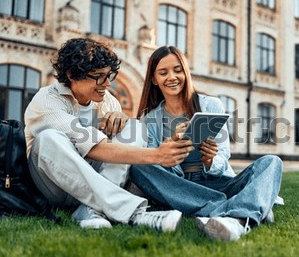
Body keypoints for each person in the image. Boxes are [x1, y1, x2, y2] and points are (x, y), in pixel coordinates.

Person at [25, 38, 194, 231]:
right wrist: (158, 155)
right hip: (54, 185)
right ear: (72, 75)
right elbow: (95, 149)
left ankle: (91, 210)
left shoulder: (108, 101)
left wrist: (121, 118)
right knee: (49, 139)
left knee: (135, 127)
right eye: (98, 76)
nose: (106, 84)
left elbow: (116, 149)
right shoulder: (46, 100)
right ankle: (134, 213)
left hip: (95, 184)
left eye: (109, 75)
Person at [130, 46, 283, 241]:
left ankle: (236, 217)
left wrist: (210, 159)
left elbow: (223, 154)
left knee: (272, 162)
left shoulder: (211, 105)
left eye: (178, 70)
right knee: (137, 166)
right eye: (163, 72)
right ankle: (244, 207)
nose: (172, 77)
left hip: (217, 183)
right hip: (181, 187)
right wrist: (170, 150)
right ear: (154, 79)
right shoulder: (150, 118)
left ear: (186, 72)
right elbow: (154, 161)